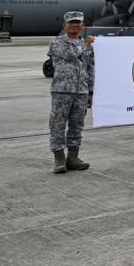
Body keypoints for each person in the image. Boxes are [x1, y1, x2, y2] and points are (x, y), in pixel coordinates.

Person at [47, 11, 95, 174]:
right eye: (71, 22)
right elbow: (69, 55)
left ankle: (73, 158)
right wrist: (85, 44)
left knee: (77, 125)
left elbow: (90, 68)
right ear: (64, 25)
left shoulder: (87, 44)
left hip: (81, 91)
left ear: (82, 25)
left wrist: (90, 91)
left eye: (77, 22)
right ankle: (59, 159)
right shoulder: (56, 42)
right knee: (58, 124)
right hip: (62, 90)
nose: (74, 25)